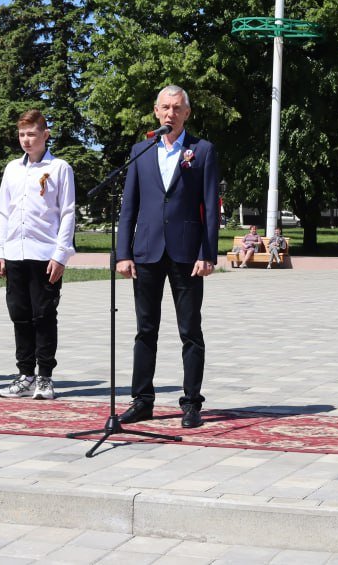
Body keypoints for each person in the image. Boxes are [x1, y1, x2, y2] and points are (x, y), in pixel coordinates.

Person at [116, 85, 220, 429]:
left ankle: (191, 403)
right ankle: (142, 400)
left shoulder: (201, 151)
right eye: (164, 107)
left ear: (187, 113)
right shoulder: (141, 150)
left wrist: (208, 253)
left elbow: (210, 206)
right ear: (156, 111)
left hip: (187, 254)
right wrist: (123, 253)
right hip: (146, 251)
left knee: (190, 330)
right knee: (145, 330)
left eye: (177, 108)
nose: (170, 114)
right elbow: (129, 206)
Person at [0, 109, 76, 400]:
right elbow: (3, 210)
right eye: (22, 134)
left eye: (32, 134)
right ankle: (25, 374)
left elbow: (67, 213)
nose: (26, 140)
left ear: (45, 135)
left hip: (45, 255)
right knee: (20, 314)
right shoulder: (12, 169)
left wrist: (60, 254)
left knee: (44, 315)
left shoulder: (60, 168)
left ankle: (45, 377)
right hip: (15, 252)